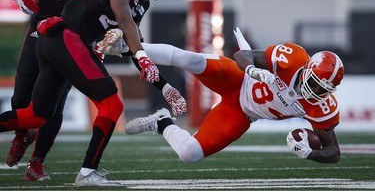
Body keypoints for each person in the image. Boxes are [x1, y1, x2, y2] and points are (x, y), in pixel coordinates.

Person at [4, 0, 186, 182]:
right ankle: (86, 172)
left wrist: (165, 86)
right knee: (107, 104)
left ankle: (41, 162)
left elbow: (132, 38)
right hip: (62, 34)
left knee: (39, 115)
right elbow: (124, 19)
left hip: (63, 37)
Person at [120, 27, 344, 164]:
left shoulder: (322, 107)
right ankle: (129, 46)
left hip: (241, 113)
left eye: (322, 90)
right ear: (307, 70)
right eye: (314, 84)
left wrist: (309, 154)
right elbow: (242, 54)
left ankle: (162, 123)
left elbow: (333, 152)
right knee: (193, 60)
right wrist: (251, 69)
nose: (315, 92)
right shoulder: (293, 59)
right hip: (238, 79)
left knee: (190, 153)